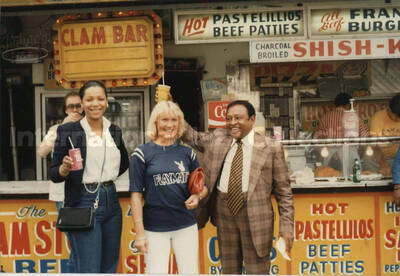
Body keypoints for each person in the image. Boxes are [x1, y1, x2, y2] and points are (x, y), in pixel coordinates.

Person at [180, 99, 294, 274]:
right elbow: (191, 136)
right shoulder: (218, 138)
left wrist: (286, 228)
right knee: (229, 270)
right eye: (229, 118)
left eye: (238, 118)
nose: (232, 122)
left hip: (256, 218)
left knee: (257, 271)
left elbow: (284, 193)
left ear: (252, 119)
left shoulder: (270, 147)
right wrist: (172, 108)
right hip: (224, 214)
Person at [50, 80, 129, 273]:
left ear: (107, 102)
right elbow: (54, 173)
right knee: (88, 268)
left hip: (111, 200)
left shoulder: (114, 130)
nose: (96, 103)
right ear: (82, 103)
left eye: (100, 99)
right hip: (82, 201)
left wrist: (105, 179)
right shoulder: (68, 131)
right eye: (90, 99)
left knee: (109, 266)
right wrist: (65, 169)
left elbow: (124, 162)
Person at [129, 100, 208, 274]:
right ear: (155, 122)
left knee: (190, 272)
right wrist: (140, 233)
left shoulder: (188, 153)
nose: (170, 125)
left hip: (186, 225)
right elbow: (135, 196)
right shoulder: (141, 154)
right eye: (164, 120)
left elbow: (203, 187)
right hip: (154, 228)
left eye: (174, 120)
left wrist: (197, 196)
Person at [37, 91, 82, 273]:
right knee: (75, 243)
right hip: (63, 194)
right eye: (70, 106)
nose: (75, 110)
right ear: (65, 110)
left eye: (78, 106)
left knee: (84, 242)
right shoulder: (56, 129)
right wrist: (62, 129)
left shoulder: (89, 128)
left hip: (84, 193)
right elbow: (41, 152)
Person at [314, 92, 390, 175]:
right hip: (349, 153)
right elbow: (365, 136)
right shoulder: (353, 116)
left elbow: (318, 137)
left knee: (329, 177)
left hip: (329, 155)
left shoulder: (326, 117)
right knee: (353, 177)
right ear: (348, 105)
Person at [370, 94, 400, 172]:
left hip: (398, 158)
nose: (397, 119)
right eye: (396, 116)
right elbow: (374, 145)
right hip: (381, 158)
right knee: (369, 158)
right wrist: (384, 165)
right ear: (389, 109)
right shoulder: (378, 117)